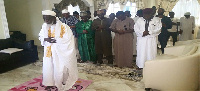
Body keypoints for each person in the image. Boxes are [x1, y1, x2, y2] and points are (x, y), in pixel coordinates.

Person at [39, 10, 78, 91]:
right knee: (48, 66)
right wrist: (45, 39)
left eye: (48, 19)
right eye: (44, 19)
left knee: (60, 67)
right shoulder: (44, 26)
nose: (46, 21)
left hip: (59, 50)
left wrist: (56, 41)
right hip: (48, 50)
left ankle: (61, 81)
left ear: (53, 18)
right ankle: (49, 83)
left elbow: (68, 38)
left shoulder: (63, 26)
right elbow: (41, 36)